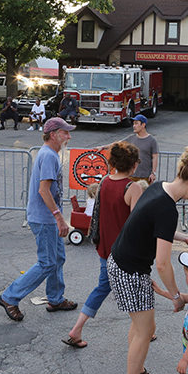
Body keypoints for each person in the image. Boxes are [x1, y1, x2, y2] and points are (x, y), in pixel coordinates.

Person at [107, 146, 188, 374]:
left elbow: (150, 224)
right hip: (130, 271)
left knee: (141, 326)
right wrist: (175, 296)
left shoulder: (158, 187)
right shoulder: (168, 209)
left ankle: (138, 373)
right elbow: (163, 264)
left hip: (121, 262)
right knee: (146, 330)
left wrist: (184, 237)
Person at [63, 141, 144, 348]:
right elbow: (137, 224)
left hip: (106, 248)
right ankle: (144, 328)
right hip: (124, 251)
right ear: (134, 164)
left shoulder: (105, 182)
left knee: (104, 287)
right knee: (133, 288)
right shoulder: (133, 187)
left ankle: (77, 329)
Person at [0, 117, 78, 321]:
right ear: (53, 135)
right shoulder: (49, 156)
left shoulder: (49, 153)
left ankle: (56, 298)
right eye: (65, 132)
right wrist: (59, 218)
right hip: (45, 219)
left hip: (47, 218)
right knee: (47, 263)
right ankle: (10, 297)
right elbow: (44, 190)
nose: (69, 136)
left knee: (57, 259)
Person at [98, 114, 159, 184]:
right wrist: (103, 147)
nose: (134, 126)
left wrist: (153, 173)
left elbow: (155, 157)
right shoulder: (131, 138)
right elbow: (117, 143)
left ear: (143, 125)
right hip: (131, 175)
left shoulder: (151, 141)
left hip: (145, 176)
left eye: (136, 123)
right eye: (133, 124)